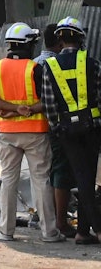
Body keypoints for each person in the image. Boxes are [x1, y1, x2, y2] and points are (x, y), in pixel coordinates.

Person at [0, 21, 61, 243]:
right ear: (29, 44)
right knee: (41, 181)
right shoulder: (36, 69)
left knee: (8, 180)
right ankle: (49, 232)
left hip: (7, 133)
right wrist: (25, 110)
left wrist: (13, 110)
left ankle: (6, 231)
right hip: (35, 132)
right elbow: (48, 101)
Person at [37, 17, 101, 245]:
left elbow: (48, 102)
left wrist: (57, 127)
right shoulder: (91, 63)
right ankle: (95, 228)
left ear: (60, 39)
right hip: (92, 129)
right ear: (80, 38)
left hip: (65, 131)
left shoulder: (49, 67)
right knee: (87, 178)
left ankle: (84, 233)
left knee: (82, 179)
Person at [36, 23, 77, 237]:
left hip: (35, 128)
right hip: (56, 127)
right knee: (61, 172)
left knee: (44, 175)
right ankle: (59, 222)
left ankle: (48, 218)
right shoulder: (54, 64)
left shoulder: (35, 64)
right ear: (59, 42)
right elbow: (48, 101)